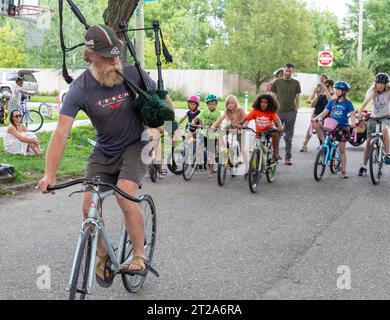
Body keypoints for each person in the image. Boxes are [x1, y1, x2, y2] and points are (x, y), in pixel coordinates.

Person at [38, 24, 174, 286]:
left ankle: (139, 255)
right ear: (90, 56)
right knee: (88, 203)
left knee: (125, 194)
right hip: (104, 150)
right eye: (107, 58)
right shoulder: (80, 89)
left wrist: (169, 130)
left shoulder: (134, 73)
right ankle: (103, 256)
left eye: (117, 56)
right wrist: (49, 174)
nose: (114, 63)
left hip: (137, 145)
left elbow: (164, 103)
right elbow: (61, 132)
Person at [313, 81, 356, 179]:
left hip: (342, 127)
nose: (335, 91)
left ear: (344, 92)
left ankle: (344, 170)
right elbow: (324, 113)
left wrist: (353, 123)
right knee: (316, 123)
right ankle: (324, 142)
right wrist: (316, 117)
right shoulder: (332, 102)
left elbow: (352, 115)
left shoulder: (348, 103)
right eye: (335, 89)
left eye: (338, 90)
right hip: (331, 125)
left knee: (341, 150)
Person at [357, 73, 390, 176]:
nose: (380, 85)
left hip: (386, 117)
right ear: (375, 83)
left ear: (386, 84)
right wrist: (359, 114)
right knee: (368, 143)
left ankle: (387, 154)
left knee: (385, 129)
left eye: (382, 83)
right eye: (378, 83)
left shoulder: (389, 91)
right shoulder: (372, 92)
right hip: (373, 117)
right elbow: (364, 103)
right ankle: (364, 166)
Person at [271, 63, 301, 165]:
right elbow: (272, 96)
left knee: (288, 137)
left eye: (290, 71)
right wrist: (272, 110)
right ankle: (275, 156)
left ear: (293, 72)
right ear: (284, 70)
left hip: (290, 113)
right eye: (286, 71)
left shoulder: (296, 83)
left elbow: (297, 97)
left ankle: (288, 158)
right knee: (276, 135)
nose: (288, 73)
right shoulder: (277, 82)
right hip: (278, 112)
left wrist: (296, 110)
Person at [239, 94, 283, 161]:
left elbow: (278, 120)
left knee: (275, 133)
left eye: (265, 102)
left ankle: (275, 153)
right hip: (259, 133)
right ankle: (253, 169)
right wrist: (240, 124)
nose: (263, 104)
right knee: (257, 150)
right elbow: (246, 118)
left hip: (269, 130)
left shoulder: (271, 112)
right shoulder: (255, 111)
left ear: (270, 104)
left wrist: (280, 126)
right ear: (258, 103)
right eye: (261, 102)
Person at [211, 95, 247, 176]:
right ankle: (219, 152)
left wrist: (243, 127)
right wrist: (214, 126)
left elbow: (247, 118)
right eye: (228, 103)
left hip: (240, 128)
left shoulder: (239, 110)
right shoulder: (227, 111)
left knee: (242, 148)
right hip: (232, 126)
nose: (230, 105)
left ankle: (247, 168)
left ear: (235, 103)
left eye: (232, 103)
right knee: (221, 132)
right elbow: (220, 119)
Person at [191, 93, 221, 178]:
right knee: (198, 144)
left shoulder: (218, 113)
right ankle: (199, 161)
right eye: (209, 104)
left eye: (213, 104)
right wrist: (193, 121)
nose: (211, 106)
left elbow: (219, 123)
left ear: (216, 104)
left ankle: (211, 171)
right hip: (203, 132)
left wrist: (215, 126)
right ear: (207, 104)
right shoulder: (205, 111)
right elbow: (197, 118)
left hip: (212, 134)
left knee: (210, 153)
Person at [300, 79, 335, 152]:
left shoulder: (333, 95)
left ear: (332, 87)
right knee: (309, 130)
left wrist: (326, 91)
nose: (326, 87)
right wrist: (318, 95)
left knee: (323, 134)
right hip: (316, 116)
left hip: (326, 118)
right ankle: (305, 143)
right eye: (325, 86)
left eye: (328, 86)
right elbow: (312, 105)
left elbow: (331, 102)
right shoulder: (321, 95)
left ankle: (323, 146)